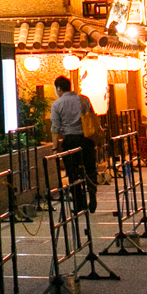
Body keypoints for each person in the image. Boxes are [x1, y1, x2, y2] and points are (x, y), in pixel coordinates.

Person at [48, 75, 100, 207]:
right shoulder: (83, 99)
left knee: (72, 172)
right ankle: (92, 191)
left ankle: (79, 202)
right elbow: (92, 116)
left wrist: (55, 148)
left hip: (70, 140)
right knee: (90, 167)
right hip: (86, 139)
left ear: (59, 88)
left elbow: (55, 128)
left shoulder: (57, 104)